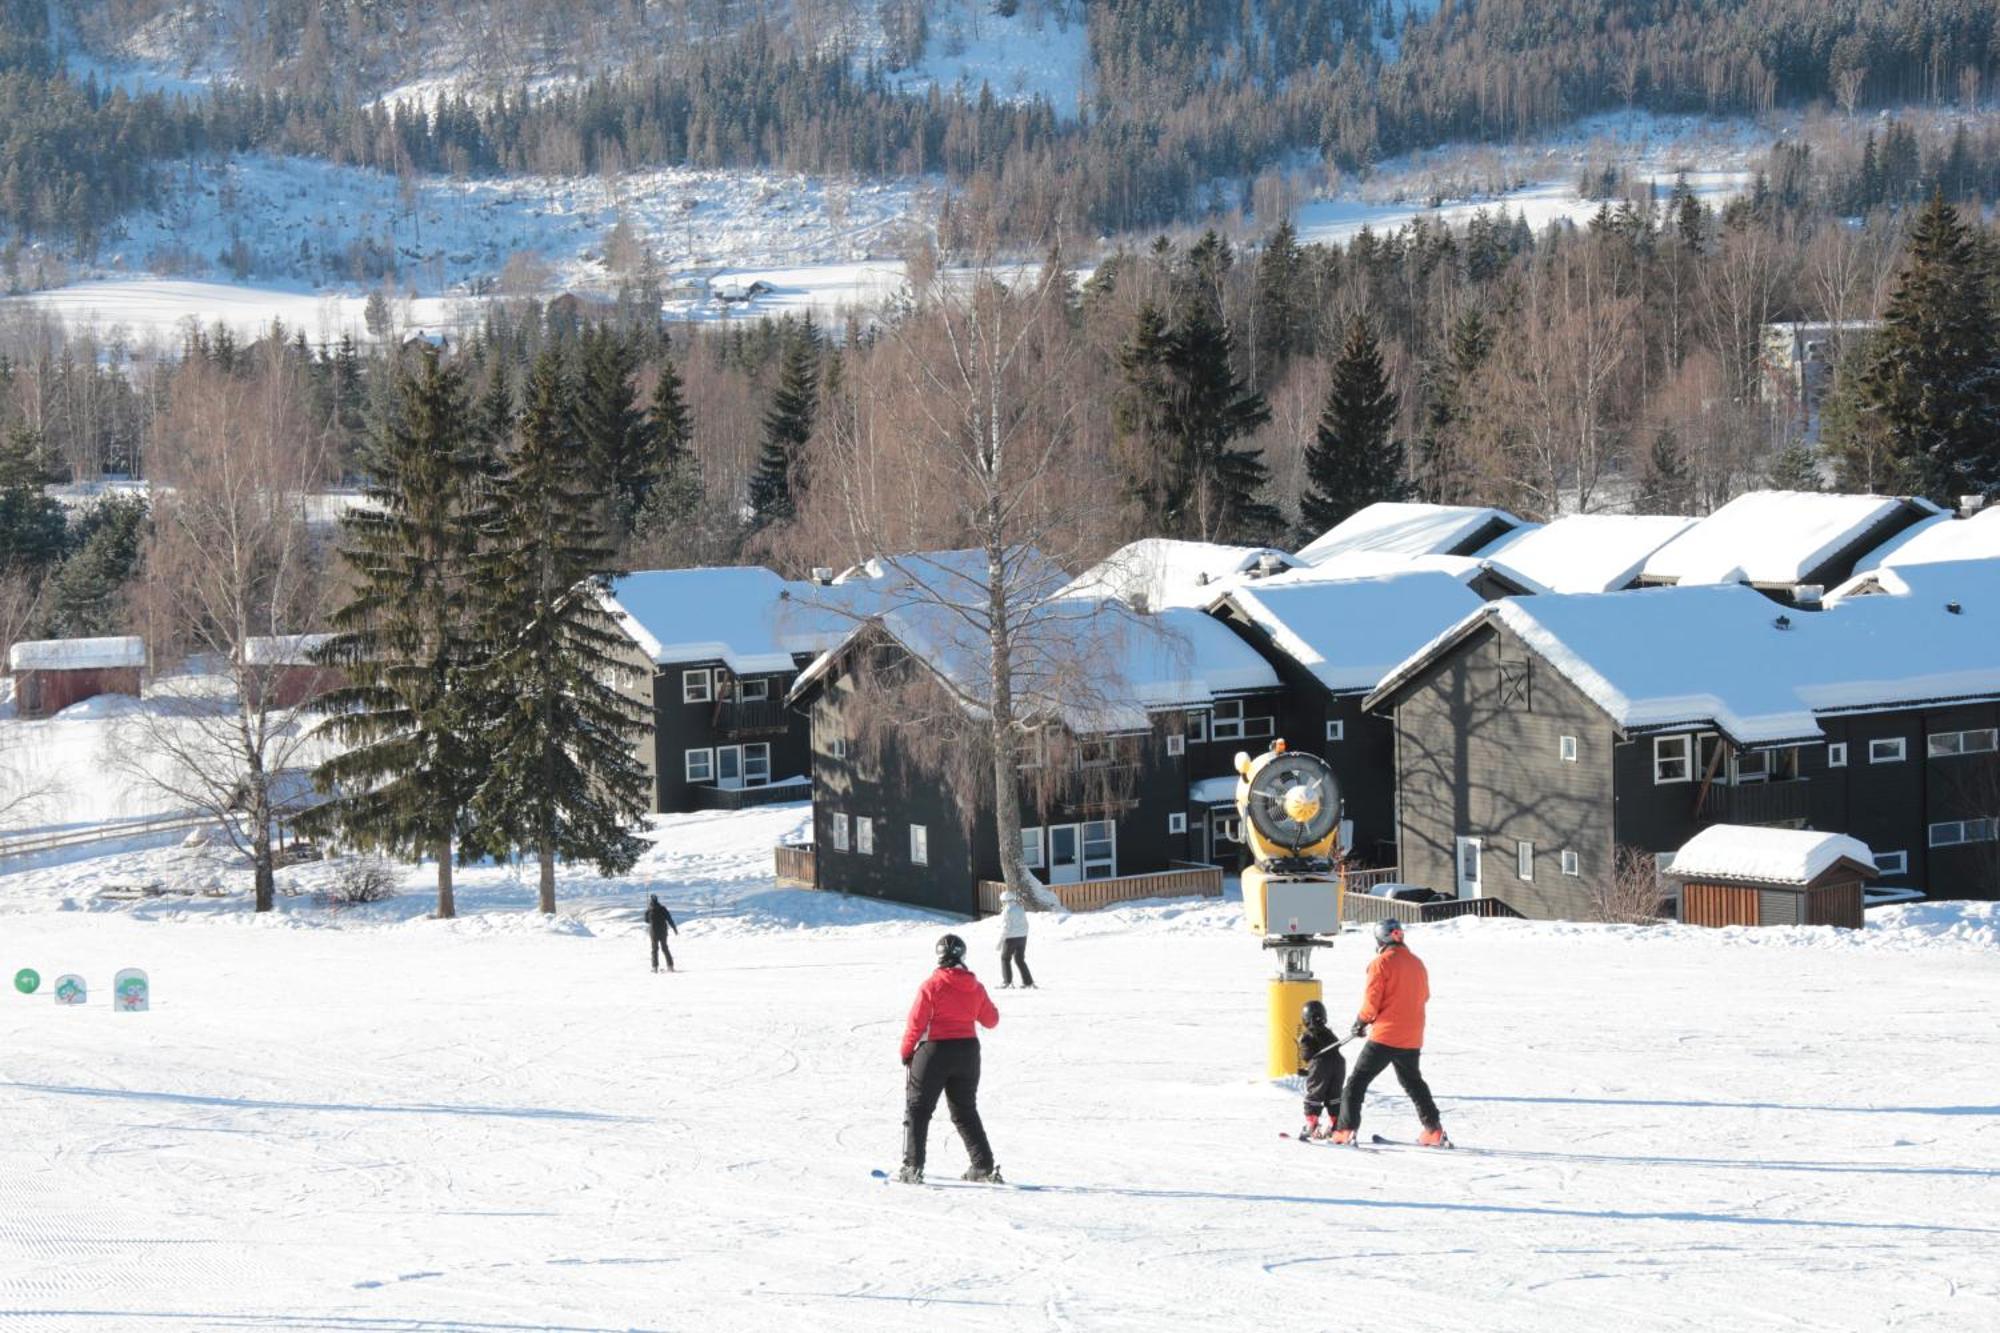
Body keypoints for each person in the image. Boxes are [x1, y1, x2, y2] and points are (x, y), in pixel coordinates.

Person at [895, 932, 1002, 1184]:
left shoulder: (932, 985)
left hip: (935, 1052)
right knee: (965, 1110)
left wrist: (906, 1051)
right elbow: (991, 1020)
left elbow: (915, 1024)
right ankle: (983, 1166)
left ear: (939, 956)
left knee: (919, 1109)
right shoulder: (975, 986)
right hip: (968, 1052)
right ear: (962, 956)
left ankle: (913, 1167)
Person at [1332, 918, 1447, 1147]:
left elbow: (1371, 1001)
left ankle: (1345, 1130)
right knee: (1413, 1083)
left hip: (1386, 1035)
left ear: (1380, 939)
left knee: (1356, 1083)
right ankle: (1434, 1130)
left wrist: (1361, 1021)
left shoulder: (1381, 963)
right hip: (1412, 1035)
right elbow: (1424, 995)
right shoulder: (1417, 963)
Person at [1296, 998, 1345, 1140]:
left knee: (1315, 1095)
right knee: (1334, 1096)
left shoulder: (1307, 1035)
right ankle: (1335, 1123)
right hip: (1338, 1064)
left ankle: (1312, 1123)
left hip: (1320, 1065)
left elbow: (1307, 1056)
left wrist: (1309, 1067)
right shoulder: (1330, 1033)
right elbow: (1335, 1046)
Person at [997, 888, 1035, 989]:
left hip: (1010, 938)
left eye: (1002, 901)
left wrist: (1000, 942)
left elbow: (1006, 927)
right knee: (1019, 960)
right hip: (1022, 937)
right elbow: (1025, 923)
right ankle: (1028, 982)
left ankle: (1007, 982)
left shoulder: (1007, 910)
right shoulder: (1020, 907)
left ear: (1005, 901)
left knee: (1005, 958)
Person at [645, 894, 678, 973]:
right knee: (665, 948)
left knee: (654, 950)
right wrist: (674, 928)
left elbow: (646, 921)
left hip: (653, 933)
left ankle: (655, 967)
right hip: (663, 932)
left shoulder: (649, 910)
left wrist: (648, 913)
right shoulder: (663, 909)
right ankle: (670, 966)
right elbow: (669, 919)